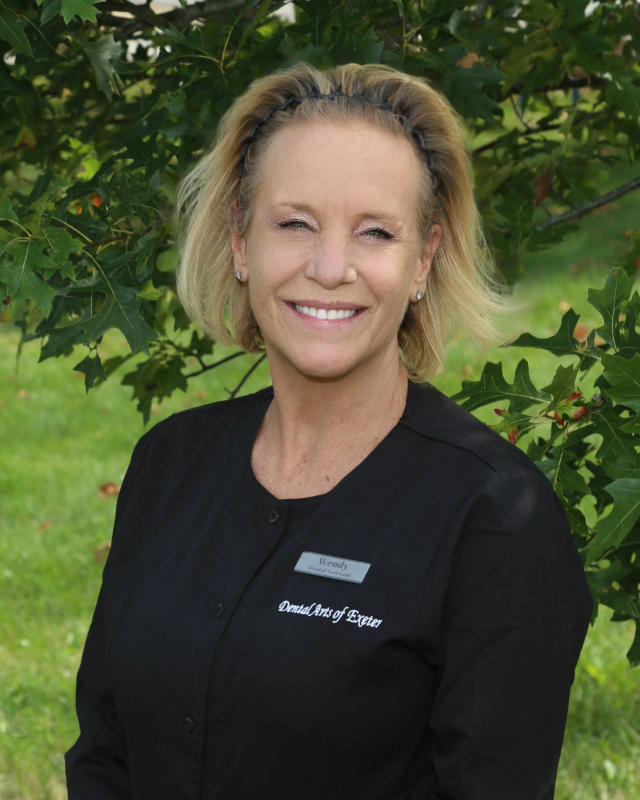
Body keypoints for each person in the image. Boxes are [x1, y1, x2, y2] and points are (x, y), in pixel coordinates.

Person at [65, 62, 594, 800]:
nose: (330, 266)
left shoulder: (495, 518)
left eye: (375, 232)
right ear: (241, 241)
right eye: (295, 223)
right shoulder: (169, 461)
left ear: (423, 260)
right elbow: (104, 749)